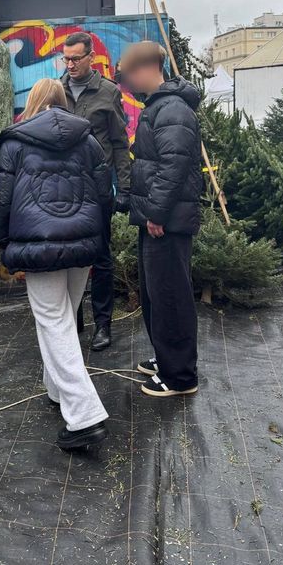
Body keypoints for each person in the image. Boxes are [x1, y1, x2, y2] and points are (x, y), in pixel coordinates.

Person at [0, 77, 113, 449]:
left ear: (33, 102)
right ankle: (57, 390)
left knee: (54, 322)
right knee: (64, 318)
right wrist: (99, 238)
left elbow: (2, 201)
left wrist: (3, 242)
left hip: (37, 246)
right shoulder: (88, 140)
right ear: (62, 101)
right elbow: (104, 194)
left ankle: (84, 415)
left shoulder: (14, 142)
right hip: (82, 244)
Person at [119, 41, 202, 398]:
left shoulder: (172, 109)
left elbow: (174, 165)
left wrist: (156, 213)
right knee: (157, 293)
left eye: (129, 76)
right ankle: (166, 358)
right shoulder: (161, 106)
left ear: (148, 68)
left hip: (166, 221)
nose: (129, 84)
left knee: (170, 295)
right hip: (159, 218)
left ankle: (180, 376)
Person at [60, 31, 131, 351]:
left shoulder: (107, 92)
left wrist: (125, 187)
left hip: (98, 187)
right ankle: (74, 321)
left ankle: (104, 325)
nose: (70, 64)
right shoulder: (56, 91)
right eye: (66, 58)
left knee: (101, 258)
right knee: (69, 257)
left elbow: (119, 143)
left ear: (91, 58)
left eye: (76, 58)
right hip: (64, 189)